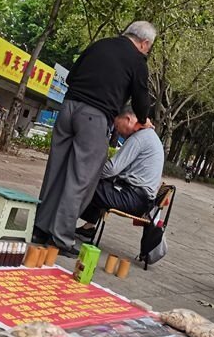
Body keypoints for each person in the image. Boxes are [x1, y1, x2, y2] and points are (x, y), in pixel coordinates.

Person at [33, 21, 156, 254]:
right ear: (145, 43)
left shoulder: (100, 44)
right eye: (148, 48)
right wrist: (144, 118)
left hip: (68, 108)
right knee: (81, 178)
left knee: (56, 169)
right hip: (94, 117)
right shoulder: (137, 61)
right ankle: (60, 237)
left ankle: (40, 228)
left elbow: (71, 77)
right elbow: (141, 99)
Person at [75, 110, 164, 241]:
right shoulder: (148, 135)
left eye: (117, 126)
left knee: (84, 183)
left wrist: (89, 172)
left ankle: (63, 223)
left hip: (133, 198)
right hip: (142, 199)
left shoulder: (139, 138)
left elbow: (112, 168)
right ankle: (88, 228)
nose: (117, 131)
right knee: (98, 184)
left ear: (128, 119)